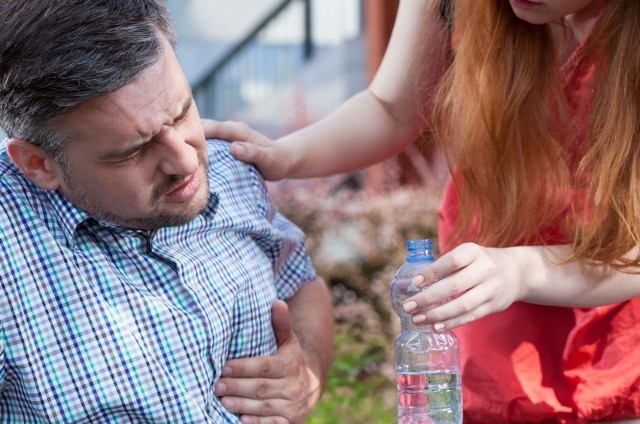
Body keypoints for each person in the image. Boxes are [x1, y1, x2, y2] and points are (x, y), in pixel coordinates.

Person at [203, 0, 640, 422]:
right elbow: (392, 109)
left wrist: (524, 270)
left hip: (615, 341)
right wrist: (285, 155)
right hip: (491, 330)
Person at [0, 1, 333, 423]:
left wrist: (305, 375)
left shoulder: (231, 171)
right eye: (134, 150)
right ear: (38, 163)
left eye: (182, 112)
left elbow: (302, 285)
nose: (187, 161)